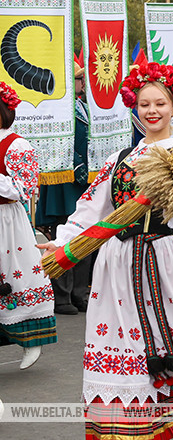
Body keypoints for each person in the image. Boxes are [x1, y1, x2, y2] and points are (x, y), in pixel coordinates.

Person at [39, 63, 173, 439]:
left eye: (160, 103)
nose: (152, 111)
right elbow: (90, 209)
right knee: (122, 337)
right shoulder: (121, 159)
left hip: (163, 258)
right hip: (115, 263)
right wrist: (62, 242)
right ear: (134, 107)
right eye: (144, 104)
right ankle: (131, 423)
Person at [0, 81, 58, 370]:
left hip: (7, 222)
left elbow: (24, 188)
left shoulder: (17, 144)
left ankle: (31, 339)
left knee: (17, 277)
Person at [35, 60, 92, 315]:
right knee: (64, 233)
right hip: (63, 178)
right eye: (79, 79)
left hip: (84, 179)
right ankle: (62, 295)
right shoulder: (57, 108)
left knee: (86, 234)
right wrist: (76, 162)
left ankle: (80, 293)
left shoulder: (84, 107)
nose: (83, 83)